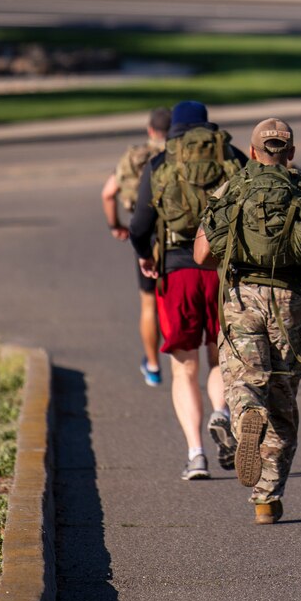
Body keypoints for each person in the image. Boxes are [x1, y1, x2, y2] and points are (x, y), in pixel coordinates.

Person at [193, 117, 301, 524]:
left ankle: (248, 413)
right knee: (283, 400)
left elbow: (201, 255)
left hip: (241, 299)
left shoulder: (232, 188)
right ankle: (267, 499)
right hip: (291, 302)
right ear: (291, 153)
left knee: (243, 381)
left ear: (252, 152)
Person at [129, 100, 244, 482]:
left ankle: (196, 454)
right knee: (219, 358)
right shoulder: (231, 155)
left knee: (184, 368)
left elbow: (139, 226)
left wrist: (147, 257)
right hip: (223, 271)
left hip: (177, 271)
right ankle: (222, 413)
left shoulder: (160, 164)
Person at [102, 107, 172, 386]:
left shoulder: (135, 156)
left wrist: (116, 225)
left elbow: (108, 193)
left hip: (146, 235)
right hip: (180, 237)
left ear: (150, 130)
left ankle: (153, 365)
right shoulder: (186, 155)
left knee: (149, 303)